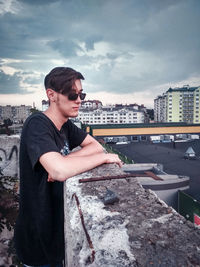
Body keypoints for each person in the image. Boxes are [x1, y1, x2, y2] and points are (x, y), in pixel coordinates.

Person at [14, 67, 122, 267]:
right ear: (51, 95)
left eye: (82, 94)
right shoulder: (37, 124)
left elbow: (96, 147)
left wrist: (65, 160)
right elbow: (59, 171)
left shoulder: (65, 125)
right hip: (37, 241)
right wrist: (102, 159)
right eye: (72, 95)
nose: (79, 100)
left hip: (56, 237)